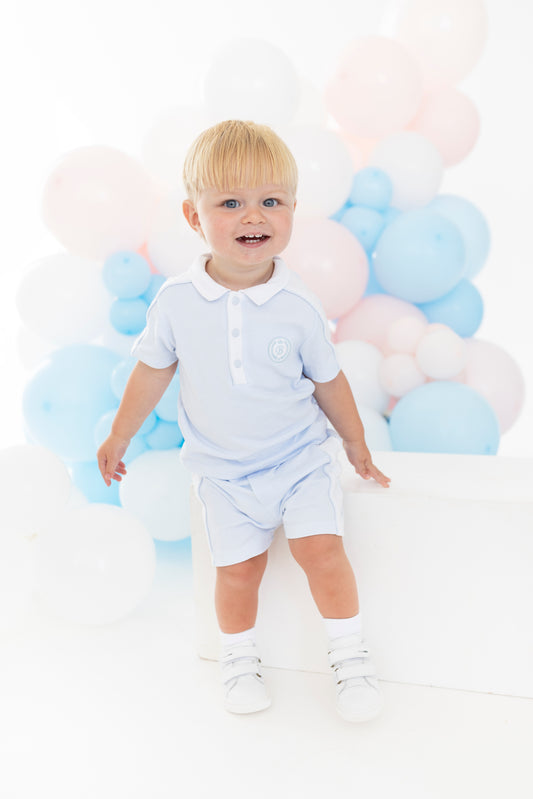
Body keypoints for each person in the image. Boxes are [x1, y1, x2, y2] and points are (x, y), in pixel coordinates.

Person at [97, 119, 391, 723]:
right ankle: (238, 659)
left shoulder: (298, 303)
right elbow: (152, 370)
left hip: (298, 460)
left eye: (270, 202)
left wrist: (355, 442)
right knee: (237, 572)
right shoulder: (177, 302)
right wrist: (120, 433)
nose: (252, 217)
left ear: (292, 211)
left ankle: (351, 656)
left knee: (322, 552)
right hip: (224, 473)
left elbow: (328, 380)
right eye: (230, 203)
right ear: (193, 216)